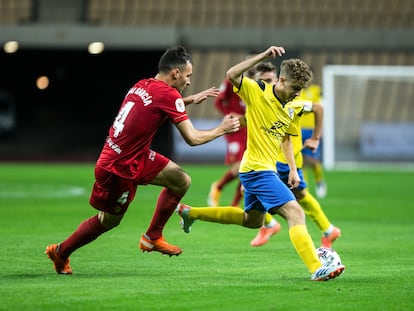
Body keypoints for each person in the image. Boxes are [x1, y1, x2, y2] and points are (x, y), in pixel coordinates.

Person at [45, 45, 240, 275]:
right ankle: (61, 251)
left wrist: (186, 101)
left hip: (131, 155)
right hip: (118, 168)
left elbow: (155, 105)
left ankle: (152, 237)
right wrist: (222, 129)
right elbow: (193, 139)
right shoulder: (169, 95)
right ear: (175, 73)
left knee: (181, 180)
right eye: (188, 76)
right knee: (108, 221)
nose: (189, 81)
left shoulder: (142, 84)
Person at [176, 46, 345, 281]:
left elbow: (286, 138)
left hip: (266, 169)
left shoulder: (293, 106)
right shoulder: (257, 92)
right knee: (295, 212)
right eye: (295, 88)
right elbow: (232, 74)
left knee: (252, 221)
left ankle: (191, 213)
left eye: (301, 90)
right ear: (282, 80)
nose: (298, 94)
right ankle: (316, 267)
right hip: (257, 169)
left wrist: (293, 171)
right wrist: (265, 56)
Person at [250, 62, 341, 248]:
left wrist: (316, 138)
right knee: (300, 194)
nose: (267, 84)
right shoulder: (262, 97)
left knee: (252, 189)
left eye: (270, 80)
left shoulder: (291, 100)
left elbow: (318, 108)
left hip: (282, 159)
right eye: (263, 81)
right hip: (281, 157)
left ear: (279, 80)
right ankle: (328, 230)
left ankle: (269, 225)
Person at [207, 51, 255, 207]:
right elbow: (219, 102)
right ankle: (219, 187)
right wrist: (230, 114)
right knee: (241, 165)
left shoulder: (260, 83)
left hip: (251, 127)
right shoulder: (232, 81)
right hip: (235, 127)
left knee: (248, 167)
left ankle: (234, 205)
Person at [301, 84, 328, 198]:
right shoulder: (298, 91)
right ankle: (304, 188)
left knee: (313, 160)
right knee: (301, 160)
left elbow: (320, 109)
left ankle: (319, 181)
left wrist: (320, 129)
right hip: (299, 129)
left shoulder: (316, 90)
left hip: (312, 129)